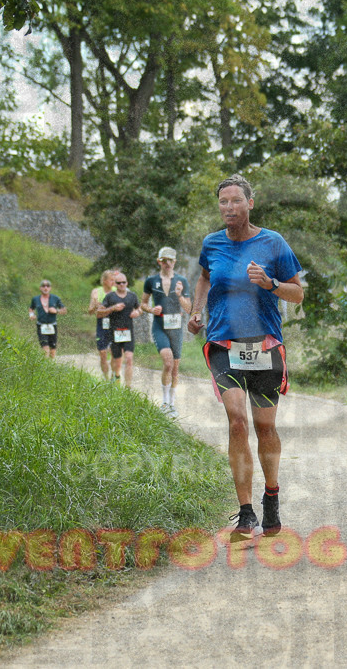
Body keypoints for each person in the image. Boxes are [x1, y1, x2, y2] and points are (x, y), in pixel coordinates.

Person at [188, 174, 303, 541]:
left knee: (264, 427)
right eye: (223, 202)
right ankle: (246, 513)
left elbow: (297, 294)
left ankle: (271, 496)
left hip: (265, 346)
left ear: (250, 204)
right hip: (224, 344)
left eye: (236, 200)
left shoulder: (273, 243)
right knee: (237, 421)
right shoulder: (212, 243)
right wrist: (197, 309)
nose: (229, 208)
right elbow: (205, 278)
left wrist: (270, 283)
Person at [141, 247, 191, 417]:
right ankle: (164, 402)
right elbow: (143, 304)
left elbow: (188, 308)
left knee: (175, 368)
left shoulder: (181, 280)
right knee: (168, 362)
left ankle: (171, 403)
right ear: (159, 261)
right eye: (164, 260)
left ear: (175, 262)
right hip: (159, 325)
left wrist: (179, 296)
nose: (167, 263)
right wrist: (151, 309)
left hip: (176, 328)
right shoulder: (151, 280)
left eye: (170, 260)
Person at [97, 273, 141, 387]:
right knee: (117, 361)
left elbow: (140, 307)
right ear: (115, 284)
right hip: (114, 332)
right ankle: (116, 376)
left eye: (124, 282)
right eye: (118, 283)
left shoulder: (132, 296)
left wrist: (138, 312)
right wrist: (113, 308)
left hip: (128, 332)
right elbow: (99, 312)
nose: (122, 285)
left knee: (129, 358)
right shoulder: (110, 297)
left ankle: (128, 387)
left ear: (127, 283)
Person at [88, 269, 117, 380]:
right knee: (103, 353)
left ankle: (114, 377)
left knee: (115, 353)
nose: (113, 282)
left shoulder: (116, 290)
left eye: (114, 280)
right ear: (104, 281)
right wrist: (95, 305)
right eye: (111, 280)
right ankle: (106, 378)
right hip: (102, 324)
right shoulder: (96, 292)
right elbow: (90, 311)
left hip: (114, 324)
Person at [28, 280, 65, 359]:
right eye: (43, 286)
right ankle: (45, 365)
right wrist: (31, 315)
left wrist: (56, 311)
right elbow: (31, 308)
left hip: (52, 325)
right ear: (40, 288)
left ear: (50, 288)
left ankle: (51, 365)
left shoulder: (55, 298)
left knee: (53, 348)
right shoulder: (35, 299)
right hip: (41, 325)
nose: (45, 288)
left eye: (47, 286)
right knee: (45, 347)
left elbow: (64, 310)